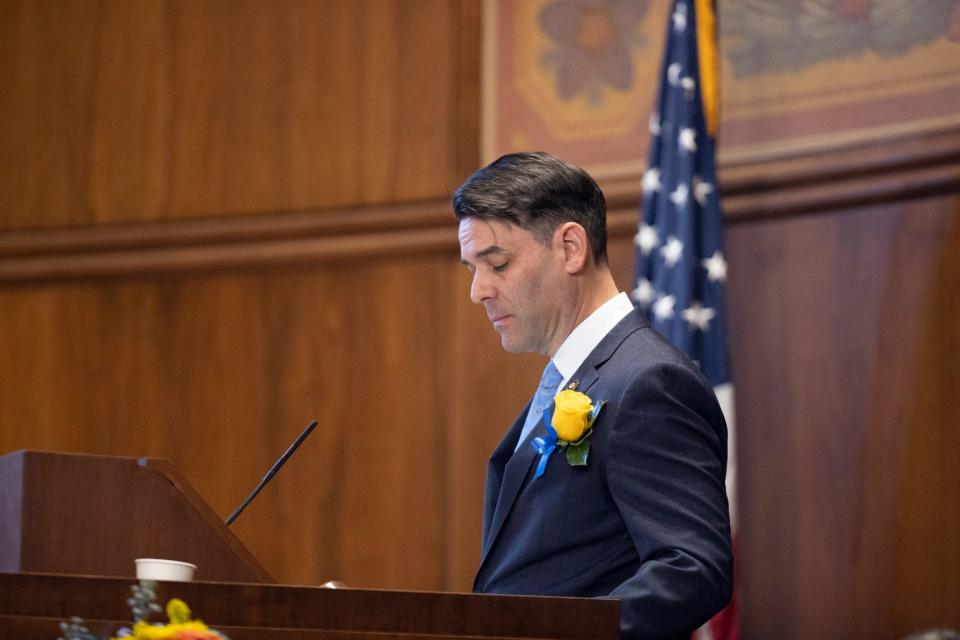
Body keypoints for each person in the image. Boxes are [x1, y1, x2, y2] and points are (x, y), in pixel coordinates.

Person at [454, 152, 733, 639]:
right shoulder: (574, 378)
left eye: (496, 263)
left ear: (570, 247)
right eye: (472, 269)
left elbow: (692, 567)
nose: (479, 291)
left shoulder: (649, 382)